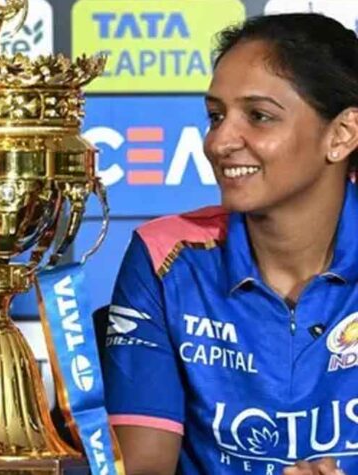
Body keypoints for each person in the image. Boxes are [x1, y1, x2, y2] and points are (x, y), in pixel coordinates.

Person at [102, 13, 358, 475]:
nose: (219, 142)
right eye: (216, 116)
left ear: (341, 134)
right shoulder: (165, 257)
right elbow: (141, 469)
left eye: (259, 116)